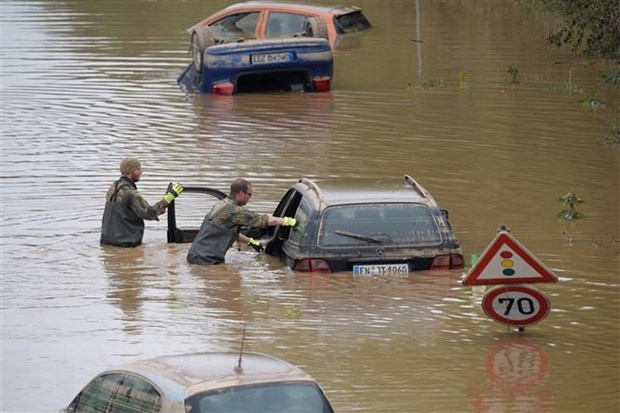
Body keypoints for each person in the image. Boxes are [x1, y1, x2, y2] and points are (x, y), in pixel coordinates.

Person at [187, 178, 296, 265]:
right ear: (241, 193)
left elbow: (230, 232)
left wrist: (251, 242)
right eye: (249, 194)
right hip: (206, 261)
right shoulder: (235, 211)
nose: (250, 198)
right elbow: (262, 220)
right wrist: (289, 221)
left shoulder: (222, 204)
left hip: (194, 256)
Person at [101, 157, 184, 247]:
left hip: (107, 242)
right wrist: (168, 198)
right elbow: (149, 213)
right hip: (126, 245)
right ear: (133, 171)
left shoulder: (113, 187)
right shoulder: (130, 192)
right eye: (139, 169)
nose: (141, 172)